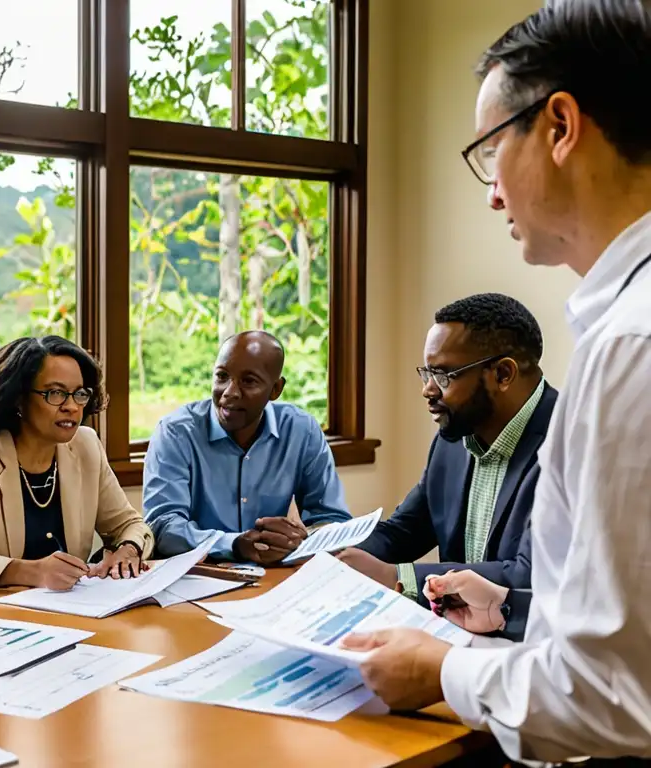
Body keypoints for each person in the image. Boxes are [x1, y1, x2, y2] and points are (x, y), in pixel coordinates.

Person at [343, 3, 651, 764]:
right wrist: (508, 604)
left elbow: (616, 695)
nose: (490, 193)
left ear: (559, 126)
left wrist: (440, 667)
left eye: (488, 151)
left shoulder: (633, 345)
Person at [337, 293, 555, 605]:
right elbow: (403, 532)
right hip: (453, 628)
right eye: (427, 373)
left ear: (503, 375)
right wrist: (327, 550)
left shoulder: (572, 443)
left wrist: (398, 578)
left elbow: (531, 574)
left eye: (443, 376)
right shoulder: (453, 440)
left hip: (527, 641)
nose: (428, 389)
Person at [0, 336, 154, 591]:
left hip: (75, 612)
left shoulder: (85, 446)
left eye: (79, 394)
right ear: (18, 398)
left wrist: (128, 550)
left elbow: (130, 525)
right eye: (56, 393)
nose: (72, 407)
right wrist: (31, 571)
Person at [143, 330, 350, 565]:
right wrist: (234, 544)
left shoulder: (301, 431)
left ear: (275, 390)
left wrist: (301, 541)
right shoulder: (175, 433)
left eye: (248, 381)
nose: (229, 392)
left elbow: (333, 518)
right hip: (197, 577)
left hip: (274, 577)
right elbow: (161, 526)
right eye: (221, 376)